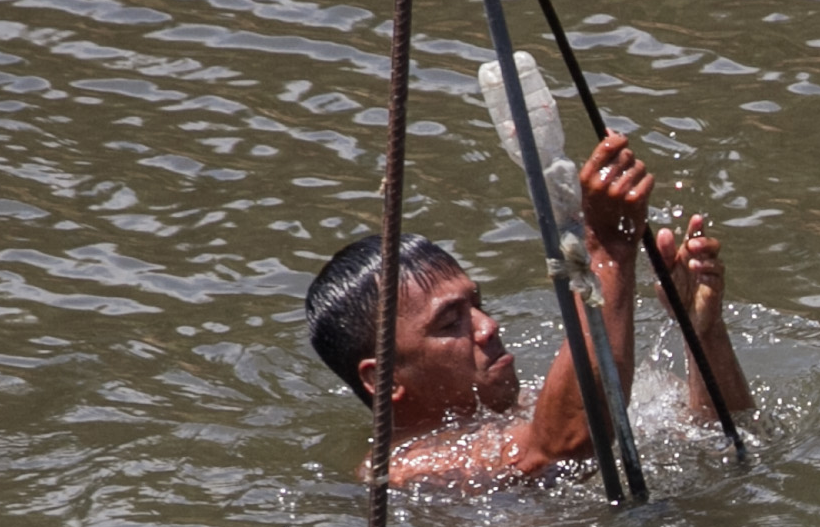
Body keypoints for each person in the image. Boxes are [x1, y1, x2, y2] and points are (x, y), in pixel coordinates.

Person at [301, 131, 754, 487]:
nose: (488, 326)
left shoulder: (527, 402)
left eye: (477, 305)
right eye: (450, 322)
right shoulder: (406, 470)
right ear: (383, 379)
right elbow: (563, 447)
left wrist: (702, 334)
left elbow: (722, 439)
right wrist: (607, 251)